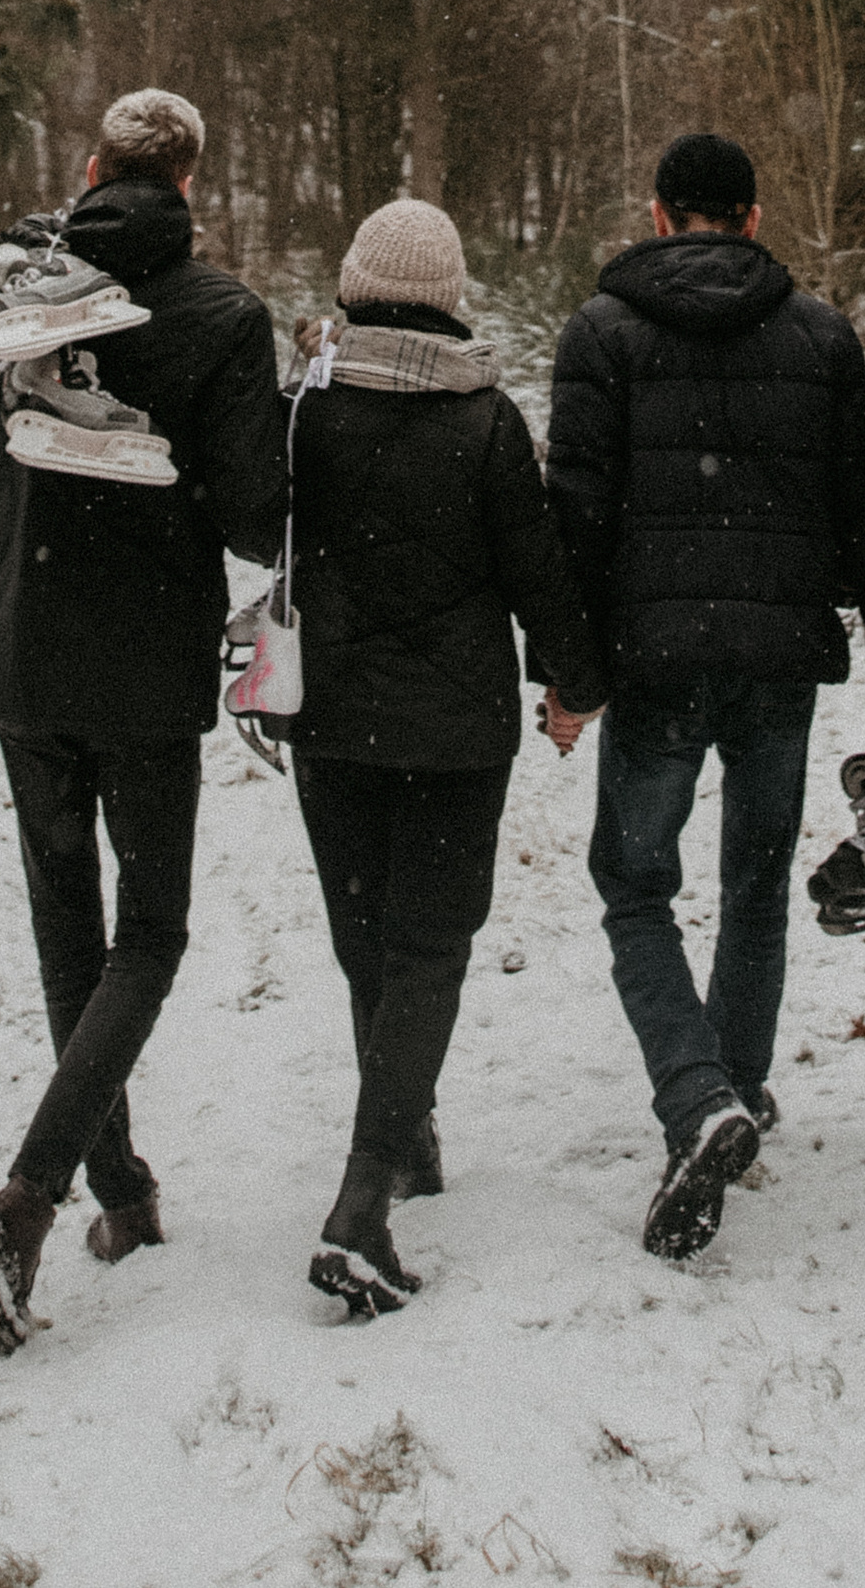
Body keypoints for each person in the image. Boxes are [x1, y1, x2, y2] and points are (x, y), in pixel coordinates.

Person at [0, 87, 288, 1347]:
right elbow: (255, 519)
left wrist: (5, 264)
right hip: (142, 669)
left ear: (89, 167)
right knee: (156, 928)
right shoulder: (224, 316)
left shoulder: (24, 289)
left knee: (67, 924)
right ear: (191, 182)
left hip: (23, 655)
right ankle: (31, 1198)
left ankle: (121, 1193)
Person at [546, 130, 865, 1262]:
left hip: (654, 658)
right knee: (754, 882)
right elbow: (862, 509)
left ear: (658, 215)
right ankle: (735, 1081)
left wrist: (572, 671)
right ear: (750, 216)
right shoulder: (822, 334)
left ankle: (699, 1101)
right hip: (780, 658)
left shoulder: (601, 334)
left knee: (635, 883)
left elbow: (575, 523)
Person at [287, 195, 609, 1320]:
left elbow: (255, 528)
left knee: (365, 932)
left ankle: (405, 1132)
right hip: (457, 728)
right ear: (450, 298)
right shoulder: (485, 421)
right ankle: (365, 1196)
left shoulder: (303, 413)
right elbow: (536, 568)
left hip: (327, 720)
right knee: (429, 945)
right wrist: (576, 677)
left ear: (354, 285)